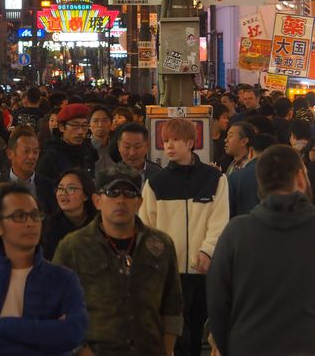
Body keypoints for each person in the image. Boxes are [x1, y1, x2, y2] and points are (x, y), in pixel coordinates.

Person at [54, 164, 183, 356]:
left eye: (129, 193)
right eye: (112, 193)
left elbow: (172, 308)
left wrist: (166, 349)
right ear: (97, 200)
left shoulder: (161, 245)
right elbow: (57, 308)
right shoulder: (73, 247)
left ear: (139, 202)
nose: (121, 200)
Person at [0, 182, 88, 356]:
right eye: (19, 216)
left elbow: (73, 333)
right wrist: (46, 338)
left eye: (35, 216)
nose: (30, 223)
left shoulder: (63, 278)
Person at [207, 144, 315, 356]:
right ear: (301, 178)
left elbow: (217, 304)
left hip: (248, 345)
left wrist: (230, 345)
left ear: (260, 183)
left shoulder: (236, 233)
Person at [139, 117, 229, 356]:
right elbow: (146, 227)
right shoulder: (155, 183)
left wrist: (207, 250)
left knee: (200, 325)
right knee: (175, 333)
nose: (169, 146)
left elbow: (219, 221)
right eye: (166, 140)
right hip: (170, 271)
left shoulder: (215, 179)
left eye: (176, 140)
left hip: (203, 270)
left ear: (191, 142)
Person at [0, 125, 56, 214]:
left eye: (35, 152)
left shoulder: (49, 188)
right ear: (10, 154)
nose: (32, 157)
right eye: (26, 151)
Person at [43, 168, 96, 260]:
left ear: (85, 195)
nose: (63, 193)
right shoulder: (48, 227)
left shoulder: (99, 223)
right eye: (60, 188)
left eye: (71, 188)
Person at [37, 103, 97, 181]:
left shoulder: (88, 151)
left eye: (84, 126)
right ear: (62, 127)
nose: (80, 132)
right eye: (75, 126)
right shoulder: (50, 157)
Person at [228, 133, 276, 217]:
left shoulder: (235, 177)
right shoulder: (283, 175)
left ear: (250, 151)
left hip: (242, 227)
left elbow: (228, 211)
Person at [117, 122, 161, 189]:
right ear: (119, 146)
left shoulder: (158, 174)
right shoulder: (108, 176)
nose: (132, 153)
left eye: (137, 147)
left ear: (147, 146)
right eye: (127, 147)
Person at [90, 106, 113, 172]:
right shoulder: (85, 149)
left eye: (104, 120)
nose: (100, 125)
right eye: (95, 121)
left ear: (111, 124)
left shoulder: (117, 148)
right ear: (89, 125)